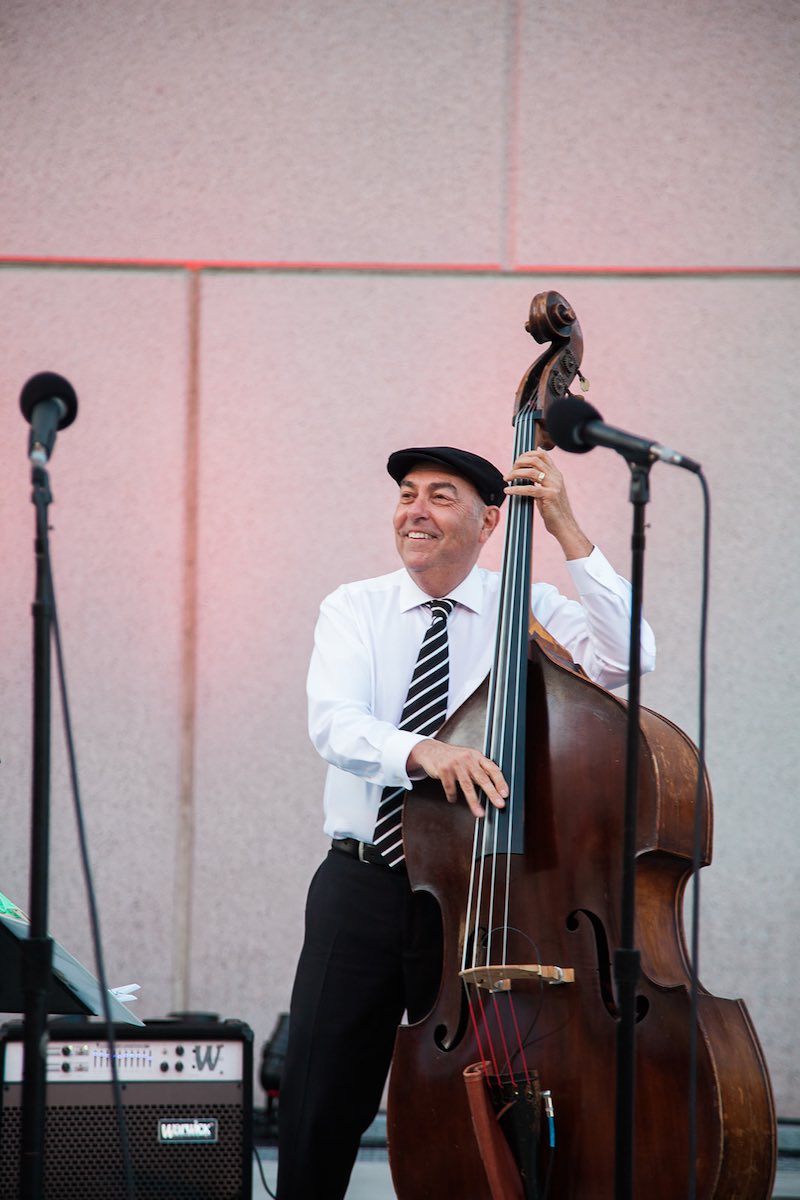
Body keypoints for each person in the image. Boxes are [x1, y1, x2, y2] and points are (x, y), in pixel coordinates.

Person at [276, 443, 656, 1200]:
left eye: (440, 496)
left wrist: (567, 527)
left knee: (480, 1096)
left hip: (484, 896)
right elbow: (336, 725)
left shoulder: (532, 610)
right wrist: (426, 753)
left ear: (490, 522)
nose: (415, 510)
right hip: (364, 884)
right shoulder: (354, 606)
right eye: (407, 495)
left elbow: (628, 659)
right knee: (321, 1104)